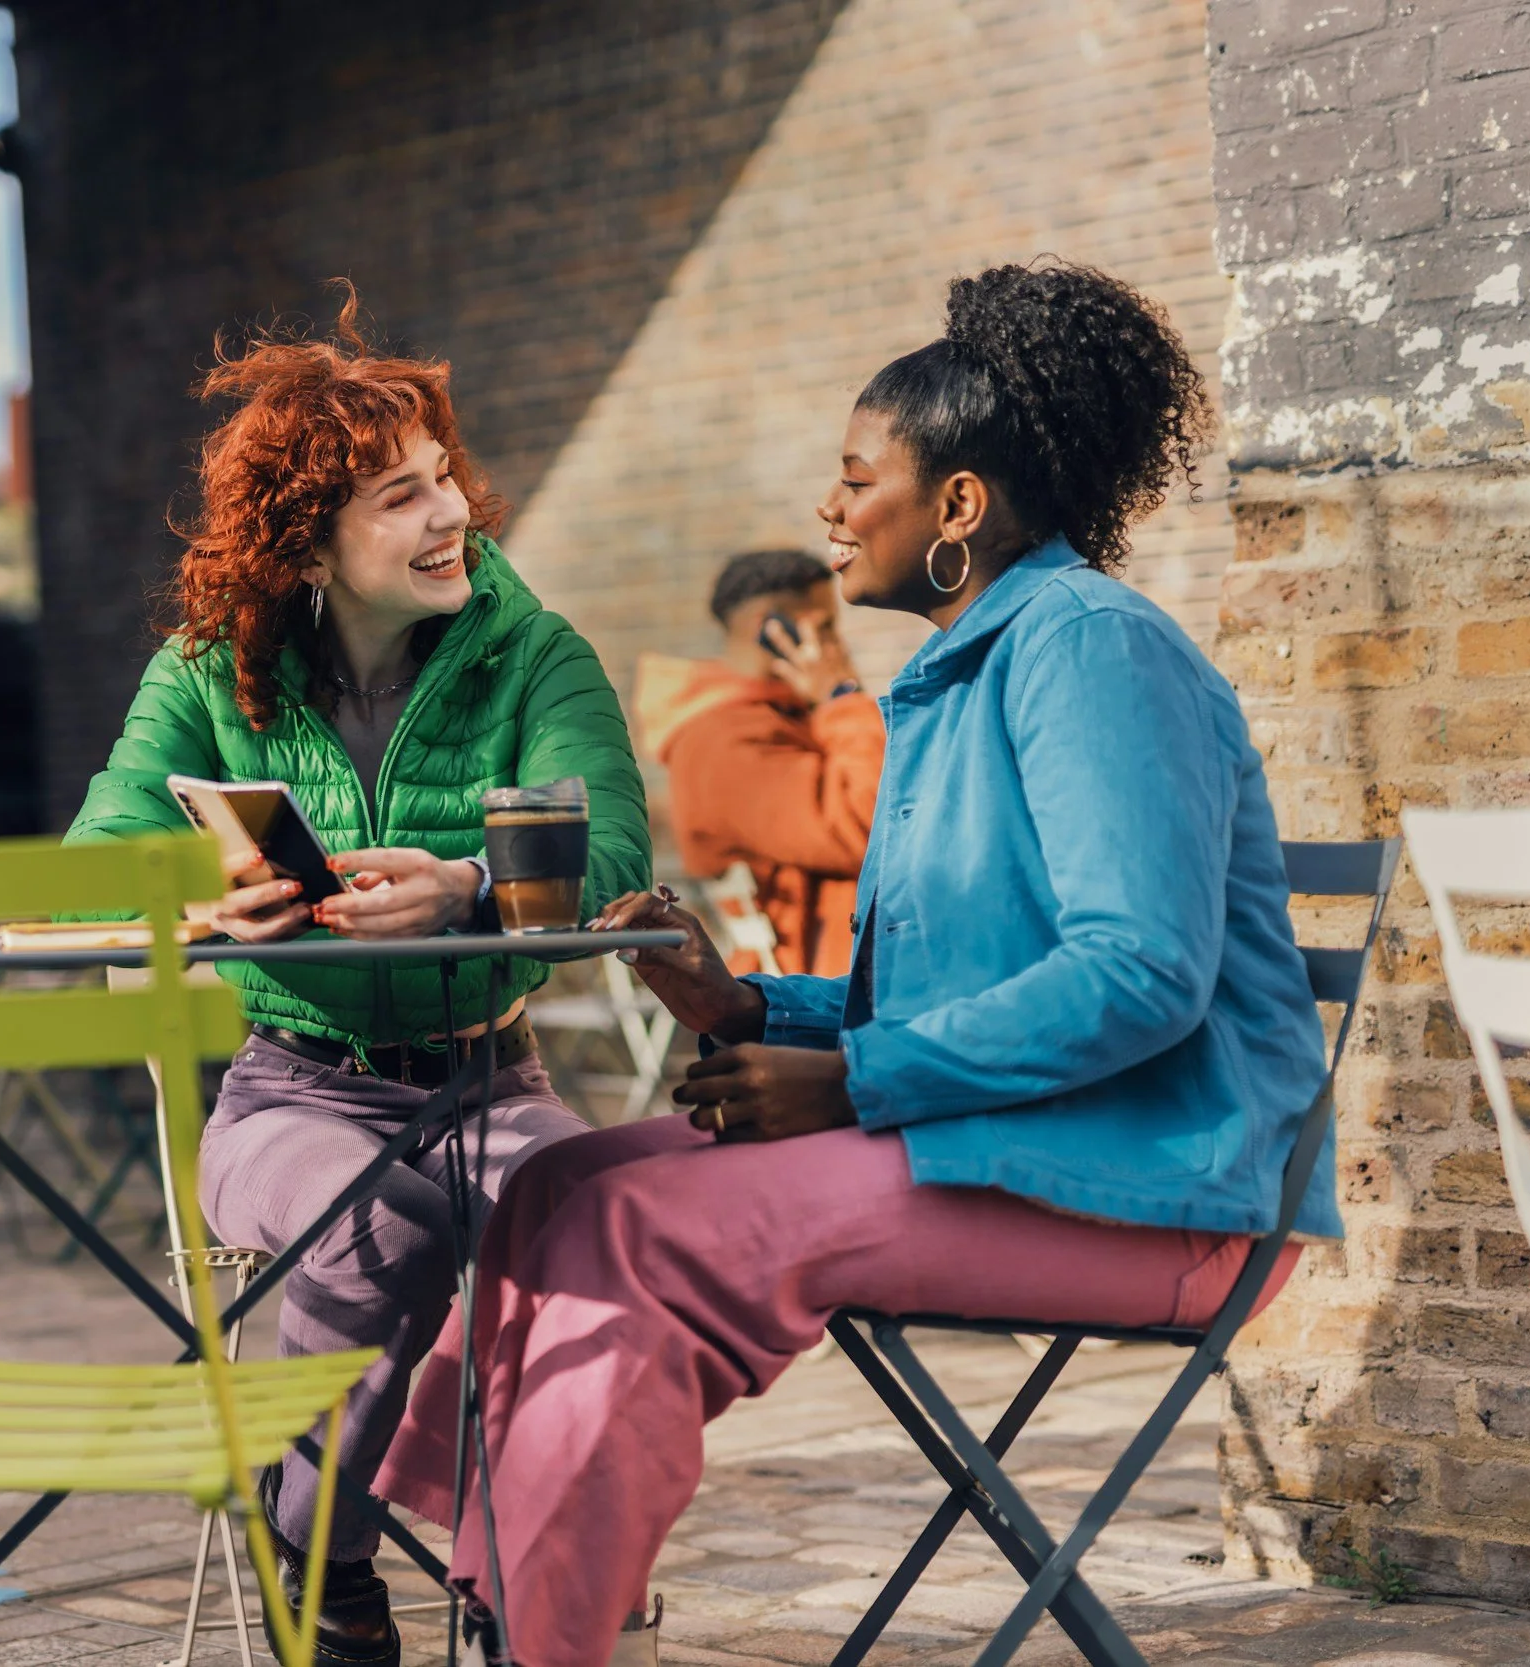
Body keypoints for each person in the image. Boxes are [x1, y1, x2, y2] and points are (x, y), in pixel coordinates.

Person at [375, 261, 1333, 1667]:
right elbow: (961, 986)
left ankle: (553, 1630)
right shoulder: (959, 674)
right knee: (558, 1179)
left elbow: (1140, 974)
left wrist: (854, 1079)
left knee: (651, 1230)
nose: (827, 506)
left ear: (958, 505)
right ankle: (546, 1594)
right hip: (1026, 1143)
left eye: (856, 474)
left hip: (1168, 1188)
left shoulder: (1089, 649)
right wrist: (752, 1004)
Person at [66, 290, 651, 1665]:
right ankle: (321, 1569)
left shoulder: (539, 652)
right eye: (402, 495)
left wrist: (463, 883)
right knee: (370, 1220)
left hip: (490, 1074)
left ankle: (530, 1582)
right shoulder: (211, 671)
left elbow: (613, 847)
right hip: (287, 1089)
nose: (450, 513)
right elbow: (98, 859)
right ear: (310, 541)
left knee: (593, 1229)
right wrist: (210, 886)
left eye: (444, 478)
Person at [633, 549, 884, 975]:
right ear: (768, 627)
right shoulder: (723, 739)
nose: (837, 647)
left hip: (849, 964)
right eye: (824, 628)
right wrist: (843, 699)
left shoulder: (780, 716)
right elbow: (872, 828)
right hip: (808, 987)